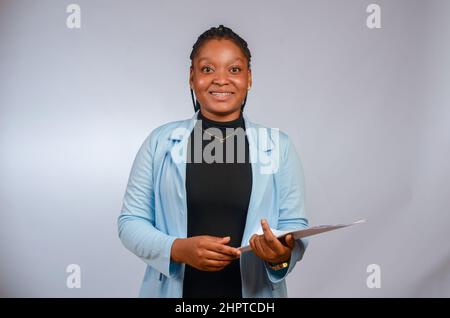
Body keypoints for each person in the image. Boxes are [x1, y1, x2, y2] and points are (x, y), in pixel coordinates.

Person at [118, 25, 308, 298]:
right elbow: (131, 221)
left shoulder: (279, 147)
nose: (221, 80)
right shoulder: (159, 142)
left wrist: (280, 255)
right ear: (191, 77)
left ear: (249, 78)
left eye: (234, 69)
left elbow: (294, 227)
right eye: (208, 69)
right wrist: (178, 249)